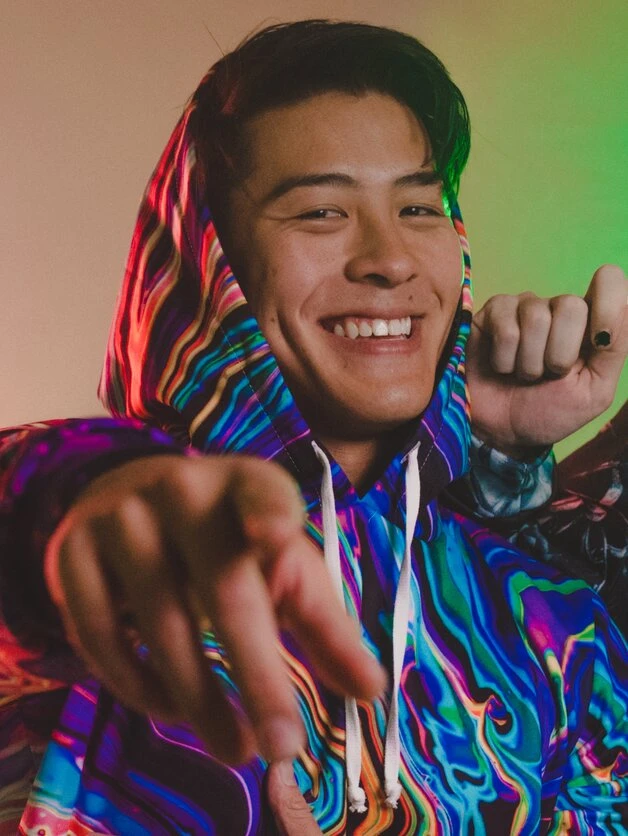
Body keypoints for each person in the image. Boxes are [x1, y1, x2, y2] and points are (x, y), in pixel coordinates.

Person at [0, 19, 626, 835]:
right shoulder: (125, 576)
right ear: (211, 265)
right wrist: (84, 494)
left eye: (419, 206)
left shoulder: (549, 624)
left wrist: (497, 463)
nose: (390, 259)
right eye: (322, 212)